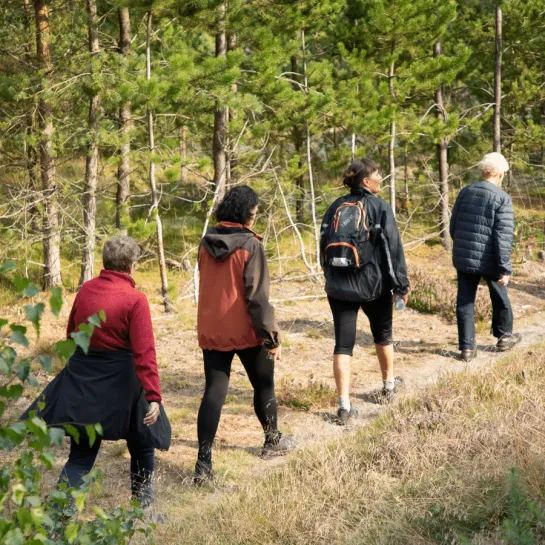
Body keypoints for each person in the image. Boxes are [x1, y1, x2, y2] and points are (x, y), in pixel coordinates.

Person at [22, 236, 167, 507]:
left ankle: (58, 516)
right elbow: (144, 353)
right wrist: (154, 395)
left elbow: (71, 334)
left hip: (85, 379)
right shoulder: (136, 299)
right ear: (132, 266)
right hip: (124, 382)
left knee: (80, 456)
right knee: (143, 442)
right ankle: (141, 511)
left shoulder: (86, 290)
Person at [194, 185, 294, 484]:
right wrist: (271, 337)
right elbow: (257, 298)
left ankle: (203, 463)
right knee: (264, 386)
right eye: (254, 212)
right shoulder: (251, 246)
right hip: (248, 331)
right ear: (245, 214)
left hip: (213, 328)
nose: (255, 216)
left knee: (214, 392)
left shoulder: (205, 242)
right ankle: (272, 441)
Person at [320, 158, 409, 424]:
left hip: (338, 286)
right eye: (377, 175)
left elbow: (322, 246)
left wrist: (331, 278)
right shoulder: (380, 207)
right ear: (366, 182)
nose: (381, 178)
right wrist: (400, 286)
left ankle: (344, 407)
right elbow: (393, 250)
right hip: (373, 286)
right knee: (383, 336)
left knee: (343, 345)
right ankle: (388, 387)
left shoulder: (335, 206)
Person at [450, 152, 521, 362]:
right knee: (500, 297)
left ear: (483, 171)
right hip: (490, 259)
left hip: (465, 257)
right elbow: (503, 237)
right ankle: (504, 336)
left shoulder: (465, 192)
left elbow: (454, 226)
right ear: (500, 174)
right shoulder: (502, 198)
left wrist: (463, 248)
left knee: (465, 302)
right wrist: (504, 269)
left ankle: (466, 348)